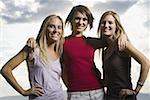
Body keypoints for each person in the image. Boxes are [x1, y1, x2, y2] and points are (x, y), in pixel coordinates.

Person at [61, 5, 127, 100]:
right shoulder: (62, 42)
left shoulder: (91, 42)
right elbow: (62, 68)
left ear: (88, 22)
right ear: (71, 20)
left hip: (97, 92)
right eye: (77, 18)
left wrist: (122, 35)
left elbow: (112, 39)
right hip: (75, 93)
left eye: (84, 19)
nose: (81, 22)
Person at [0, 15, 65, 100]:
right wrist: (23, 92)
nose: (56, 30)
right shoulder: (32, 49)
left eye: (59, 27)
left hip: (59, 97)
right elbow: (5, 70)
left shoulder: (60, 51)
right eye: (51, 26)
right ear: (45, 28)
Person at [97, 10, 150, 100]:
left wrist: (136, 91)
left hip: (125, 97)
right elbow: (107, 81)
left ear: (116, 26)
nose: (106, 25)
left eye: (110, 23)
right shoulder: (104, 51)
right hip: (109, 97)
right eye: (103, 23)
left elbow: (146, 63)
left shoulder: (123, 44)